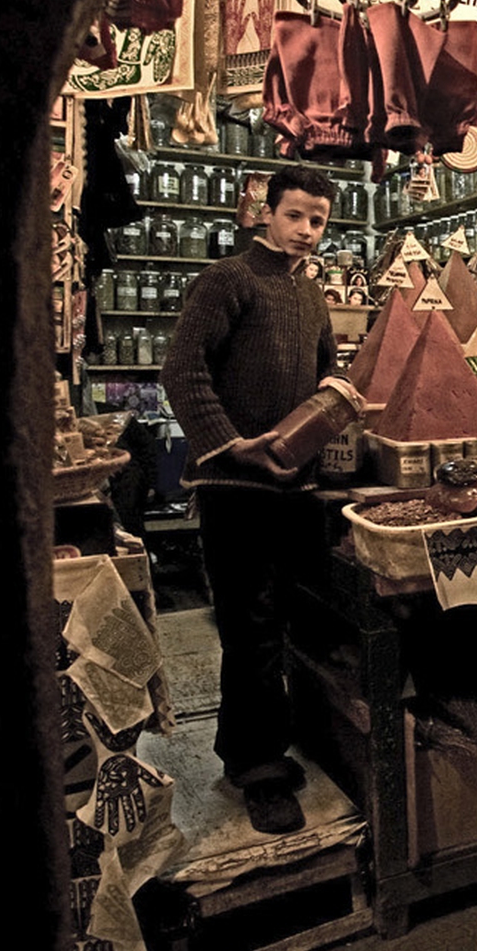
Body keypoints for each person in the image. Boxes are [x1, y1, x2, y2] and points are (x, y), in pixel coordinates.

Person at [160, 164, 359, 834]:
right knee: (251, 630)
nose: (306, 231)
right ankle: (257, 768)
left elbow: (327, 369)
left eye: (319, 220)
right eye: (296, 215)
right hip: (234, 487)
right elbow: (181, 370)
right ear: (264, 212)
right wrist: (231, 444)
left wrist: (341, 397)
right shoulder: (228, 281)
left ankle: (259, 743)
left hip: (294, 486)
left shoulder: (311, 294)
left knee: (287, 623)